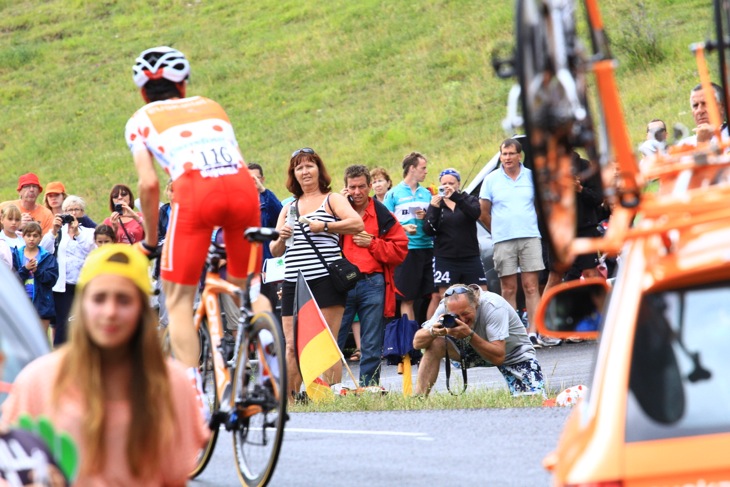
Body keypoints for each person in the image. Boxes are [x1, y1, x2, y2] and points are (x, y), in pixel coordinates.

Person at [125, 46, 264, 416]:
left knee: (177, 300)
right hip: (242, 188)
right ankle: (265, 369)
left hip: (195, 192)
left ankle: (194, 399)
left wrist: (152, 242)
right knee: (246, 287)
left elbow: (149, 186)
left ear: (142, 92)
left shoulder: (140, 119)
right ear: (183, 85)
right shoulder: (212, 105)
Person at [1, 244, 209, 484]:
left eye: (124, 300)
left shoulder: (174, 384)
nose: (110, 312)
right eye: (99, 299)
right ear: (82, 304)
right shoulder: (38, 380)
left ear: (142, 309)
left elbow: (174, 477)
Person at [270, 148, 364, 397]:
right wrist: (281, 238)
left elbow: (357, 223)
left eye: (309, 166)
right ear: (294, 175)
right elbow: (275, 250)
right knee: (292, 346)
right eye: (299, 168)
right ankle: (290, 400)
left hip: (325, 279)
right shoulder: (287, 207)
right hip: (293, 282)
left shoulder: (332, 199)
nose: (305, 171)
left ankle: (330, 395)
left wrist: (324, 225)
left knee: (327, 343)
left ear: (318, 170)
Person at [479, 138, 560, 348]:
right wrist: (496, 230)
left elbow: (540, 206)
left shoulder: (531, 177)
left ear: (519, 155)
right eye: (504, 154)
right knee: (508, 288)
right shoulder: (491, 179)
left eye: (511, 154)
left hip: (530, 236)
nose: (507, 158)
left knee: (531, 286)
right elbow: (483, 212)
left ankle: (533, 333)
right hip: (503, 240)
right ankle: (511, 335)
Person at [336, 165, 408, 387]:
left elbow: (400, 250)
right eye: (352, 187)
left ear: (369, 186)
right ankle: (325, 388)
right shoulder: (336, 210)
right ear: (345, 188)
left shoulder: (382, 214)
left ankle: (369, 387)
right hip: (340, 284)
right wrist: (334, 206)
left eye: (361, 187)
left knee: (371, 341)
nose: (357, 192)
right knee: (333, 338)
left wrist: (373, 243)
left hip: (373, 283)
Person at [414, 283, 546, 398]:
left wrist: (469, 335)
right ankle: (418, 399)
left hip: (512, 354)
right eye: (456, 316)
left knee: (533, 400)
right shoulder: (446, 307)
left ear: (476, 304)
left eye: (465, 314)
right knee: (436, 343)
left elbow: (499, 357)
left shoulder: (494, 306)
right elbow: (416, 343)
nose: (461, 320)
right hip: (470, 350)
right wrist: (432, 332)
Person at [383, 152, 439, 322]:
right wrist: (403, 227)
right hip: (407, 251)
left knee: (437, 295)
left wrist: (427, 217)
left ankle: (429, 335)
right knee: (407, 299)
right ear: (412, 169)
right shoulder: (393, 194)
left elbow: (434, 222)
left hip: (428, 248)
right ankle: (411, 343)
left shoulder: (427, 193)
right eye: (423, 168)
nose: (426, 171)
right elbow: (384, 225)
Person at [40, 196, 96, 347]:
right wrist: (53, 230)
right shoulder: (59, 231)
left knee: (83, 320)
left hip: (83, 284)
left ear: (82, 212)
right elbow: (43, 250)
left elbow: (92, 249)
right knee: (63, 323)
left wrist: (77, 232)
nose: (73, 213)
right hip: (62, 286)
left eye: (76, 209)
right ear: (63, 213)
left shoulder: (89, 232)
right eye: (69, 210)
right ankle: (60, 354)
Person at [424, 167, 487, 297]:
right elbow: (429, 230)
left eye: (451, 183)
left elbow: (475, 213)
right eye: (444, 184)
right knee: (446, 297)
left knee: (481, 294)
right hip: (445, 258)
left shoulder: (468, 199)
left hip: (470, 256)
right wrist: (434, 209)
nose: (447, 187)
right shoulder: (437, 203)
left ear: (458, 183)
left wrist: (456, 197)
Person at [248, 162, 284, 314]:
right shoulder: (238, 203)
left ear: (262, 179)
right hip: (244, 270)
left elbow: (281, 215)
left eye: (256, 178)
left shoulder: (267, 200)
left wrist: (262, 191)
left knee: (268, 312)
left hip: (266, 269)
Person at [12, 222, 59, 336]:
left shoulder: (47, 257)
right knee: (22, 338)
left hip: (42, 302)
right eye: (28, 235)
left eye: (35, 236)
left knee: (41, 338)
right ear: (23, 236)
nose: (31, 239)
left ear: (40, 238)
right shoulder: (16, 255)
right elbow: (12, 280)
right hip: (21, 301)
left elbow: (52, 280)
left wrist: (37, 271)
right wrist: (25, 269)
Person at [679, 82, 729, 146]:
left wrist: (702, 143)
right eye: (695, 105)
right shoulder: (684, 145)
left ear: (722, 107)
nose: (699, 111)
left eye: (705, 104)